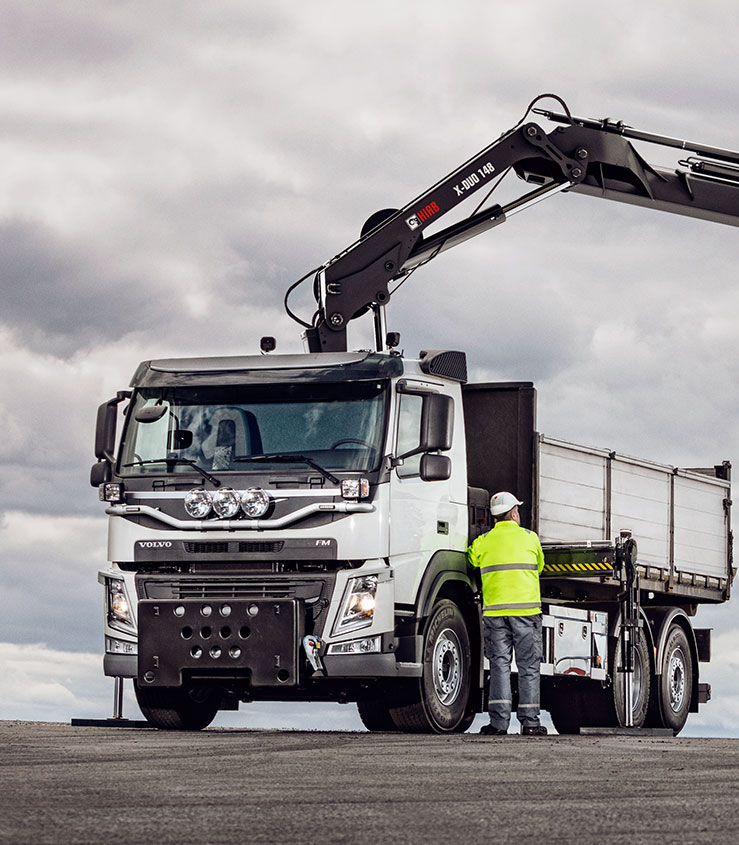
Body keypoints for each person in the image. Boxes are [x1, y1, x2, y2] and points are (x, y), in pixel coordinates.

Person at [467, 491, 548, 736]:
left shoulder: (482, 542)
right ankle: (530, 723)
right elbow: (540, 565)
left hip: (495, 614)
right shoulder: (530, 538)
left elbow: (471, 561)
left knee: (499, 665)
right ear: (513, 513)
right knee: (528, 667)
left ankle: (499, 724)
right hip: (526, 613)